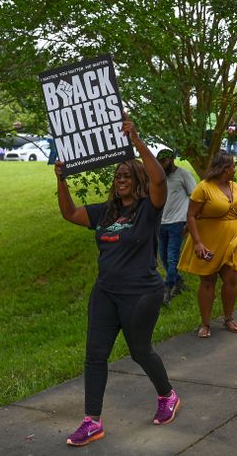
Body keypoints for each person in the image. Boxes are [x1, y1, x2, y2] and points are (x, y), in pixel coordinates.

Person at [55, 115, 180, 447]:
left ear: (137, 179)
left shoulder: (148, 208)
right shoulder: (104, 212)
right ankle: (91, 421)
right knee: (95, 355)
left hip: (141, 294)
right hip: (106, 293)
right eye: (118, 175)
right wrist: (62, 180)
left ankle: (167, 395)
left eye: (127, 174)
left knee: (140, 351)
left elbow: (159, 182)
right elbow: (69, 214)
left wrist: (137, 140)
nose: (121, 179)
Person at [178, 151, 237, 339]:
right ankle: (206, 323)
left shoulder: (235, 186)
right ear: (224, 168)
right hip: (208, 241)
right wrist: (198, 243)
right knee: (208, 281)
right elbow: (191, 215)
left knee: (231, 280)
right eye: (232, 165)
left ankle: (229, 318)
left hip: (233, 241)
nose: (234, 168)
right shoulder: (204, 188)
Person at [156, 149, 197, 305]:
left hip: (177, 222)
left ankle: (167, 290)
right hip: (161, 223)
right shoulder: (160, 178)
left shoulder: (183, 175)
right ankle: (178, 282)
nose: (161, 164)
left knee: (172, 258)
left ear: (171, 160)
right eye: (159, 162)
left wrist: (189, 221)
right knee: (164, 258)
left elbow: (195, 196)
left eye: (163, 161)